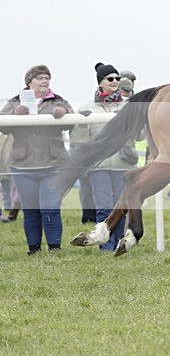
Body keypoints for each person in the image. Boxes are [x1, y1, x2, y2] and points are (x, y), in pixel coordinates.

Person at [0, 65, 74, 255]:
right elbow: (3, 125)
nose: (44, 81)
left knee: (50, 209)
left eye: (47, 77)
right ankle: (34, 249)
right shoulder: (15, 101)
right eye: (40, 78)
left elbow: (72, 120)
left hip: (53, 164)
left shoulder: (58, 100)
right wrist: (14, 114)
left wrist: (63, 111)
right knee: (31, 211)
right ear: (29, 82)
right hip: (22, 165)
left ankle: (54, 249)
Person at [72, 63, 139, 251]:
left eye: (117, 78)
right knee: (103, 206)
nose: (116, 82)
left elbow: (140, 135)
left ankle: (119, 243)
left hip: (123, 164)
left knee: (122, 207)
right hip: (98, 166)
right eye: (111, 79)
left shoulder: (129, 106)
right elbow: (78, 139)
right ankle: (106, 246)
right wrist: (83, 122)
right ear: (101, 82)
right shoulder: (87, 106)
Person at [0, 132, 22, 223]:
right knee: (6, 190)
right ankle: (8, 210)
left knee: (16, 192)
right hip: (4, 168)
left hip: (14, 166)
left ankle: (13, 213)